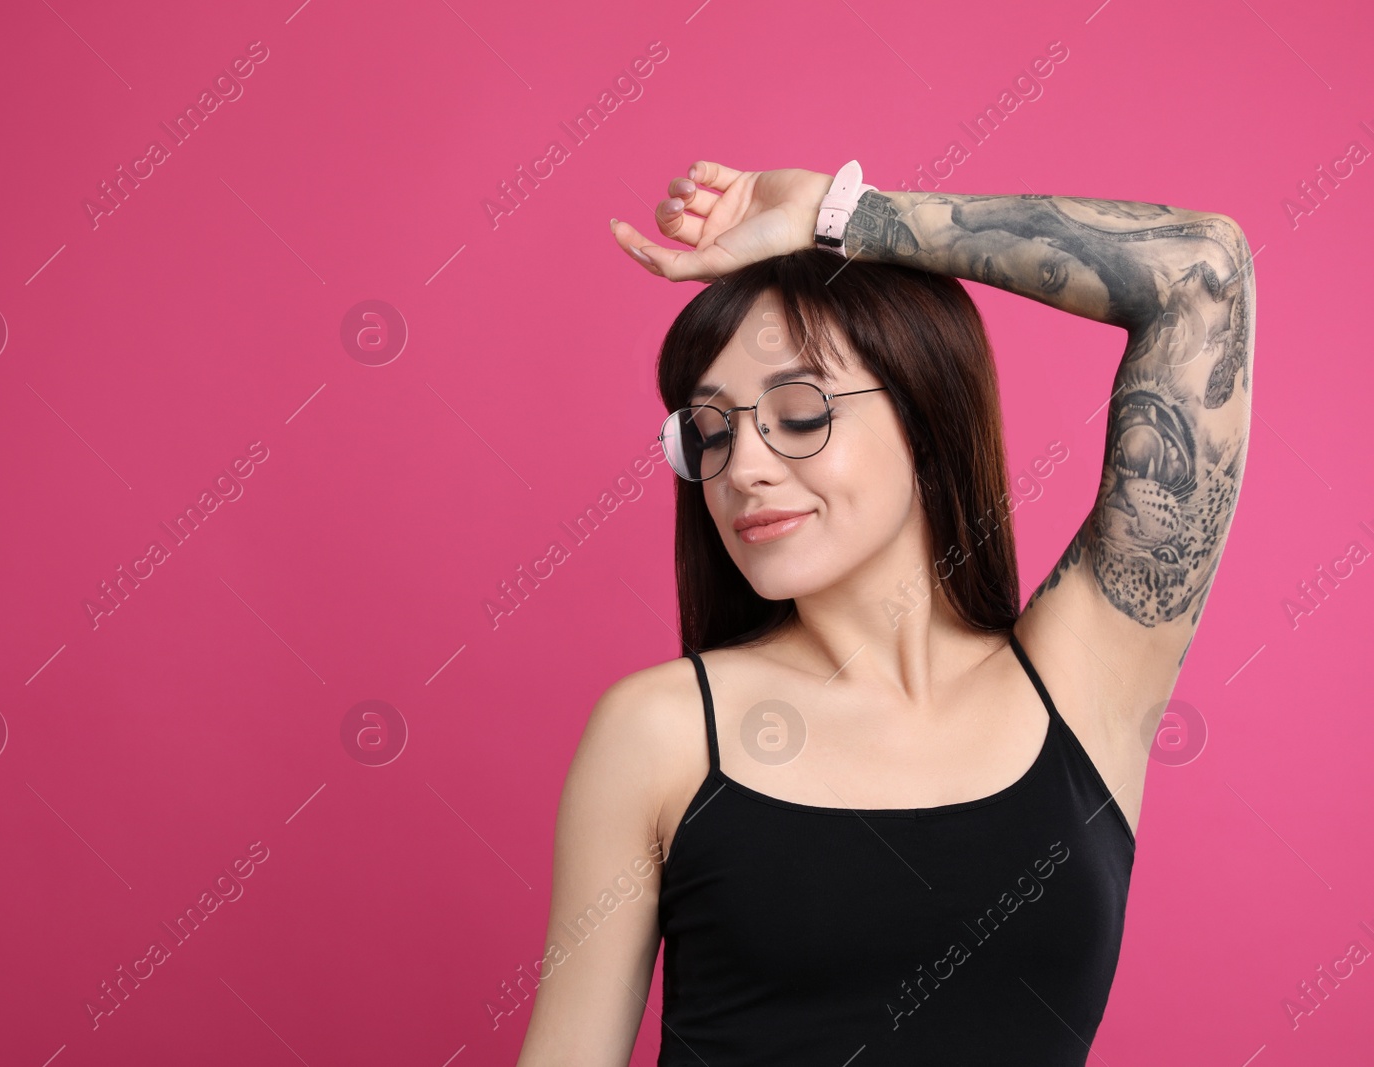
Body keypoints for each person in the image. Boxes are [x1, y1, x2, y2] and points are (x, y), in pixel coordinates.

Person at [512, 160, 1255, 1065]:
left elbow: (1201, 273)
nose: (742, 466)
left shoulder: (1082, 680)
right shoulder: (662, 730)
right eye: (709, 430)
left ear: (924, 416)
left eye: (798, 412)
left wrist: (845, 215)